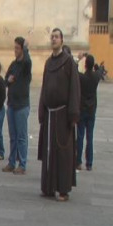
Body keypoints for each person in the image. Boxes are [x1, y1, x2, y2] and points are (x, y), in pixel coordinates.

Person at [38, 28, 80, 202]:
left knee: (63, 152)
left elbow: (74, 89)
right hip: (50, 114)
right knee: (49, 151)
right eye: (52, 37)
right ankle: (48, 187)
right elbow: (44, 87)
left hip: (63, 114)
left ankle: (63, 189)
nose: (53, 39)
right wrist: (42, 108)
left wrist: (73, 114)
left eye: (56, 37)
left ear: (62, 40)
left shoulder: (69, 62)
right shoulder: (48, 63)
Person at [3, 37, 32, 175]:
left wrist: (26, 48)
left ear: (22, 49)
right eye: (14, 48)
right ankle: (11, 162)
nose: (15, 51)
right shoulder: (13, 65)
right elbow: (6, 80)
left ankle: (22, 164)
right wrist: (8, 80)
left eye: (17, 48)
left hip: (22, 105)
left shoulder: (26, 64)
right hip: (12, 104)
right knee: (13, 136)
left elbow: (27, 61)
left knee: (21, 136)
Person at [77, 54, 99, 171]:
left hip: (82, 110)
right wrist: (95, 65)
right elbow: (99, 69)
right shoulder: (96, 77)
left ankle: (78, 161)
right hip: (91, 111)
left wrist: (79, 58)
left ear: (85, 65)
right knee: (90, 137)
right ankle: (89, 163)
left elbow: (74, 68)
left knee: (80, 136)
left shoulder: (81, 77)